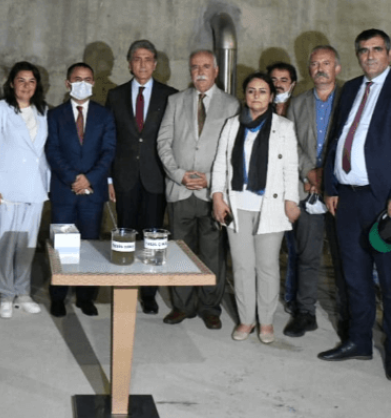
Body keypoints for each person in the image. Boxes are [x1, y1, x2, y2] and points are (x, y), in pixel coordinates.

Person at [319, 29, 391, 383]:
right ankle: (359, 341)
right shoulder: (350, 88)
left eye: (376, 49)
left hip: (385, 202)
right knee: (354, 276)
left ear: (389, 54)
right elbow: (337, 138)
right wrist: (331, 185)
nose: (369, 56)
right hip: (347, 199)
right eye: (363, 50)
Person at [211, 72, 300, 343]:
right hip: (237, 205)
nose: (256, 96)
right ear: (245, 95)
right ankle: (246, 319)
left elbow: (290, 167)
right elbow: (220, 163)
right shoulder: (232, 125)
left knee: (267, 266)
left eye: (262, 91)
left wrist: (291, 200)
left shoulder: (283, 127)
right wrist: (217, 197)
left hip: (270, 206)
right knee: (242, 266)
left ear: (271, 97)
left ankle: (267, 321)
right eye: (251, 91)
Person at [157, 50, 239, 330]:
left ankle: (210, 307)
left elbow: (233, 150)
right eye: (195, 67)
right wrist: (179, 175)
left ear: (216, 71)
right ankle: (182, 305)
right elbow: (163, 142)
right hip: (179, 190)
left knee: (212, 253)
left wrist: (211, 179)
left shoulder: (231, 104)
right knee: (180, 250)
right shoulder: (175, 101)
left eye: (206, 66)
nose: (200, 72)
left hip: (212, 193)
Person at [105, 40, 177, 315]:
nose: (143, 64)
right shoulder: (115, 95)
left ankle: (149, 293)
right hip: (124, 178)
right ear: (129, 64)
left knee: (154, 236)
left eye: (148, 59)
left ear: (155, 64)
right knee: (125, 235)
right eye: (137, 59)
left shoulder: (170, 96)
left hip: (155, 178)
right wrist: (109, 179)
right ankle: (125, 287)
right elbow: (110, 139)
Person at [283, 45, 346, 338]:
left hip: (343, 192)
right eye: (314, 64)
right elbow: (290, 143)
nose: (320, 69)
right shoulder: (297, 104)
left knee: (344, 257)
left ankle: (348, 316)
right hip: (307, 189)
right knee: (307, 255)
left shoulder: (350, 98)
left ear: (337, 68)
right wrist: (309, 172)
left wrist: (329, 176)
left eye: (326, 63)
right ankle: (305, 312)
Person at [45, 62, 116, 318]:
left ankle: (86, 297)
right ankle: (58, 296)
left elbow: (108, 151)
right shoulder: (55, 115)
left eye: (87, 79)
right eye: (77, 79)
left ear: (94, 83)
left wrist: (90, 179)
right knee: (63, 245)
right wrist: (73, 178)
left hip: (92, 191)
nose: (82, 83)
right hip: (65, 190)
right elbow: (52, 150)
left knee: (89, 244)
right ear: (67, 83)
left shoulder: (104, 115)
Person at [0, 61, 49, 319]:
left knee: (27, 244)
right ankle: (5, 294)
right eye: (21, 80)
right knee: (6, 244)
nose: (26, 86)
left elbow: (42, 152)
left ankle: (22, 292)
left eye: (31, 81)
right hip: (7, 189)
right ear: (12, 83)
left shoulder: (43, 111)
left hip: (34, 188)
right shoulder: (0, 109)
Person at [267, 61, 299, 314]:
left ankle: (291, 296)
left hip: (292, 189)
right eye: (274, 80)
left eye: (284, 80)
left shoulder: (299, 109)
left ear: (293, 84)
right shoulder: (257, 108)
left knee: (295, 247)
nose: (278, 85)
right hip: (265, 190)